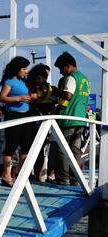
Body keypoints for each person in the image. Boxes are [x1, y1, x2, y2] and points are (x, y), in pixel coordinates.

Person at [53, 52, 90, 186]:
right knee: (75, 151)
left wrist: (56, 91)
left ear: (67, 66)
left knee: (61, 149)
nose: (61, 72)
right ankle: (75, 180)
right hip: (80, 119)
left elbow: (68, 96)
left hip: (68, 119)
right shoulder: (85, 79)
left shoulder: (71, 77)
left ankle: (63, 180)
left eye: (61, 69)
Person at [0, 56, 34, 188]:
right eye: (24, 69)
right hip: (13, 116)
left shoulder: (24, 82)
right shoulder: (9, 82)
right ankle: (6, 176)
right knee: (11, 146)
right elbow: (2, 98)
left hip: (26, 117)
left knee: (26, 147)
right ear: (17, 69)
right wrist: (19, 98)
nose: (26, 71)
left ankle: (17, 172)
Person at [27, 64, 59, 182]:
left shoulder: (49, 88)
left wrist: (40, 97)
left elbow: (54, 100)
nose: (41, 80)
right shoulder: (28, 86)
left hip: (42, 123)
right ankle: (27, 174)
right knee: (27, 149)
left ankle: (38, 176)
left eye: (45, 77)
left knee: (40, 150)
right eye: (40, 77)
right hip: (29, 121)